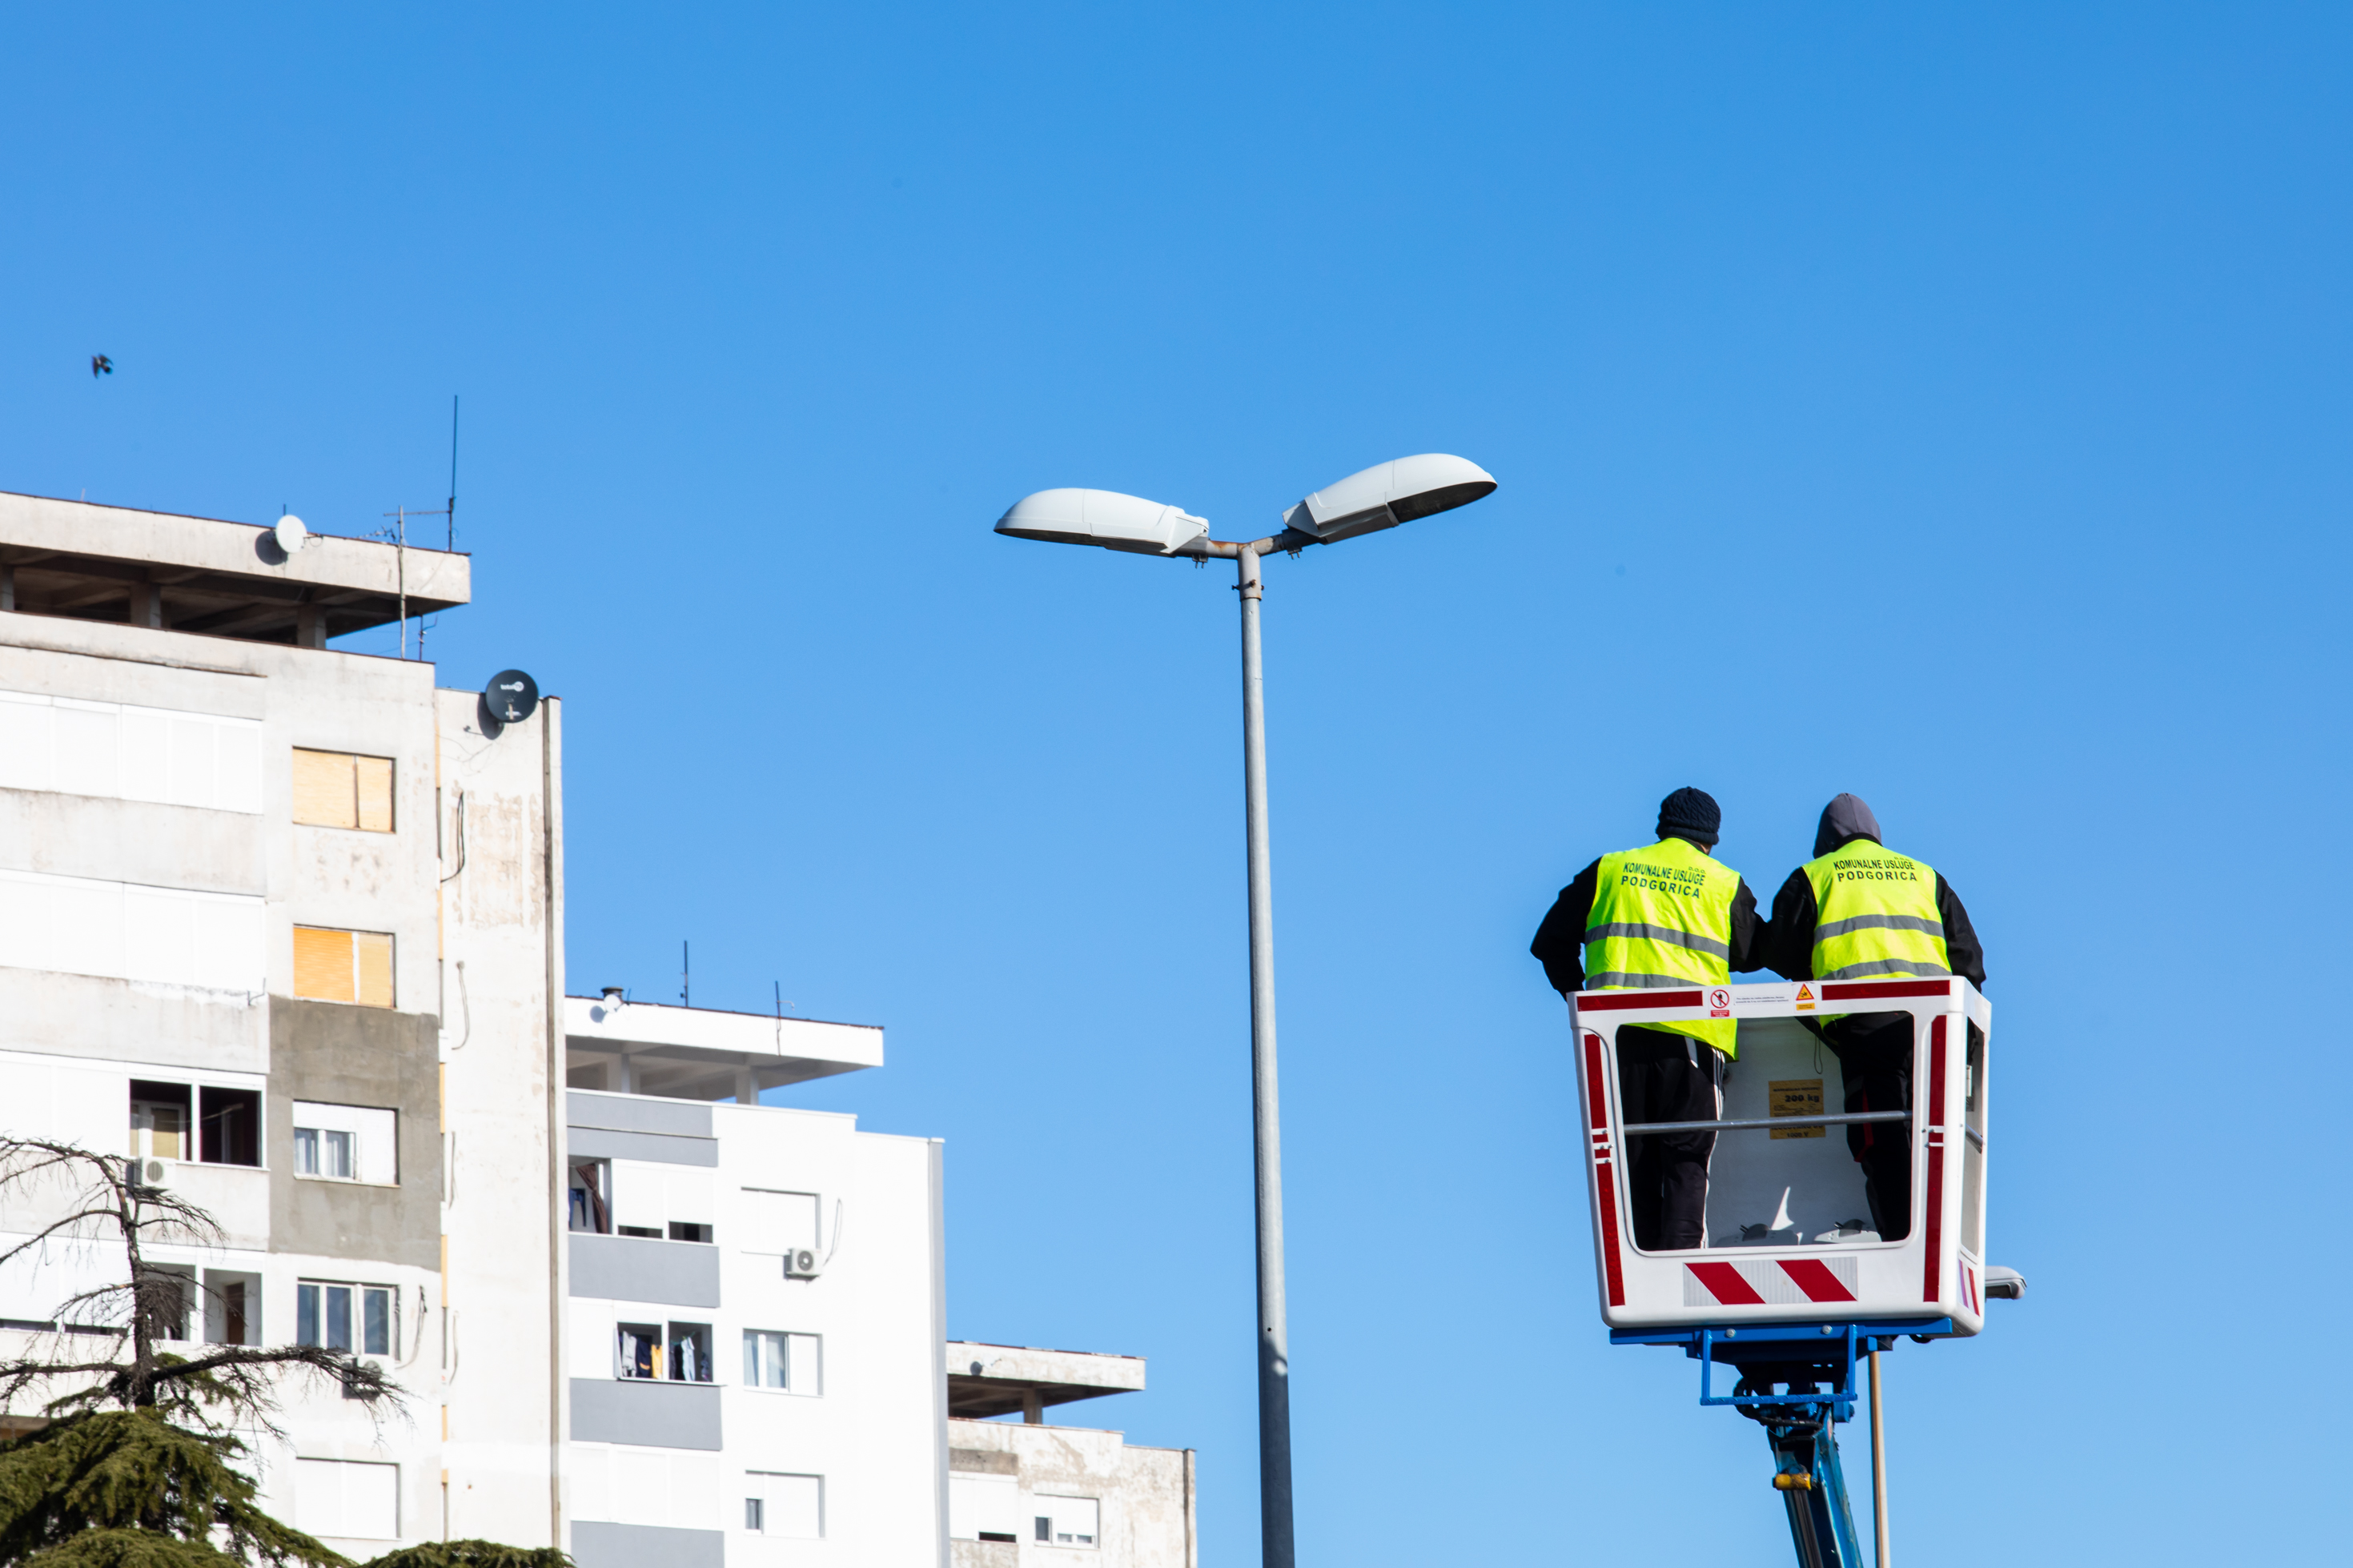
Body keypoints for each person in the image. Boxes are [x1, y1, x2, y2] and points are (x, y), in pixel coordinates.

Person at [1531, 787, 1766, 1250]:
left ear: (1662, 828)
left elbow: (1547, 942)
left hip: (1615, 1039)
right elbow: (1753, 951)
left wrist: (1581, 1000)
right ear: (1710, 839)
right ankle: (1677, 1270)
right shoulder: (1722, 882)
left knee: (1629, 1159)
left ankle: (1640, 1272)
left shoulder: (1610, 870)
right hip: (1691, 1040)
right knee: (1685, 1161)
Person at [1764, 793, 1986, 1241]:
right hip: (1934, 1032)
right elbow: (1969, 963)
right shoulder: (1925, 876)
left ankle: (1902, 1241)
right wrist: (1966, 1045)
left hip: (1865, 1032)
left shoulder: (1815, 876)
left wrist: (1823, 1015)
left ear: (1824, 842)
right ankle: (1938, 1243)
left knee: (1880, 1142)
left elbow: (1781, 955)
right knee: (1934, 1141)